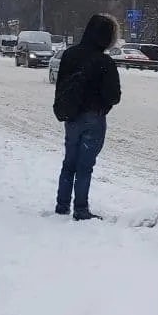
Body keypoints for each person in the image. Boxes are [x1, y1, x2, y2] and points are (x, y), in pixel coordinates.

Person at [52, 13, 121, 221]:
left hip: (72, 116)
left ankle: (62, 204)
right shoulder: (105, 62)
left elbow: (61, 85)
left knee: (69, 162)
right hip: (94, 117)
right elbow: (114, 96)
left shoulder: (69, 55)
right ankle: (81, 208)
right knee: (85, 165)